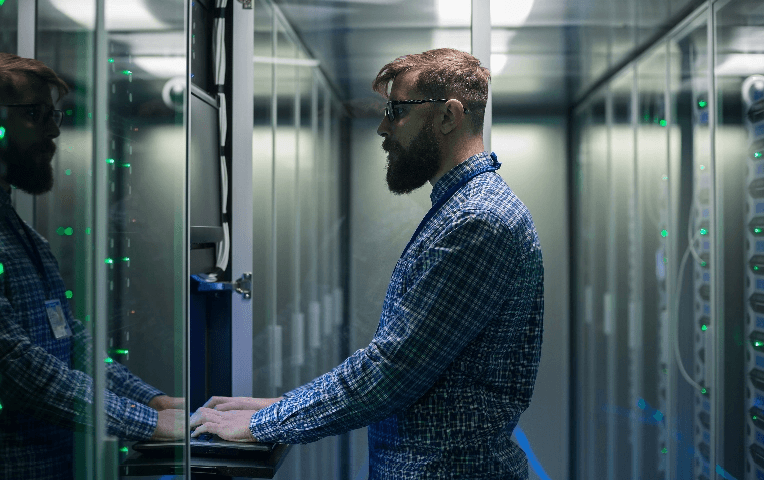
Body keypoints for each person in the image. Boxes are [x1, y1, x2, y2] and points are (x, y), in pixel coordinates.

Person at [190, 48, 545, 479]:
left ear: (448, 116)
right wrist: (282, 406)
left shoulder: (478, 220)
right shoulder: (462, 208)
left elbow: (392, 371)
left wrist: (265, 422)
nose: (382, 127)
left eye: (397, 111)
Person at [0, 53, 184, 480]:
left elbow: (68, 340)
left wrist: (151, 401)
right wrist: (149, 423)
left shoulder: (13, 227)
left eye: (54, 115)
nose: (54, 130)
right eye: (35, 114)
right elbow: (12, 367)